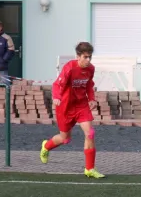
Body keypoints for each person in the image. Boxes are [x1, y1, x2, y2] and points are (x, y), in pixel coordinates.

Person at [39, 42, 105, 179]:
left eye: (90, 57)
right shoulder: (69, 67)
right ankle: (46, 146)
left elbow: (89, 85)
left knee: (90, 133)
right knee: (65, 139)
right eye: (85, 57)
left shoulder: (91, 69)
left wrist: (91, 98)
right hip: (65, 106)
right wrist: (56, 97)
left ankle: (89, 169)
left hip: (81, 105)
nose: (88, 60)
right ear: (78, 56)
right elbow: (57, 84)